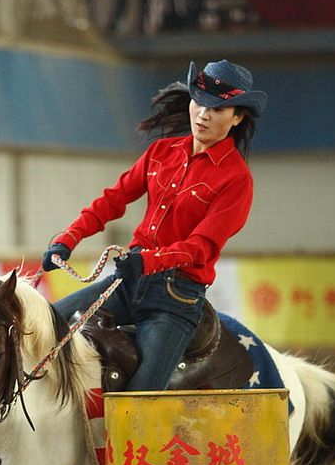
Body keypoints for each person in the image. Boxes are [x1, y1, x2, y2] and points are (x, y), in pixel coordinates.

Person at [42, 60, 267, 392]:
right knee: (44, 327)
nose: (203, 114)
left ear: (237, 117)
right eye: (199, 102)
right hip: (129, 281)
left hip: (176, 298)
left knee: (141, 396)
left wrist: (146, 261)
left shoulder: (236, 180)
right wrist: (68, 239)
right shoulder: (161, 152)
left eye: (217, 109)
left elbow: (201, 246)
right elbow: (113, 199)